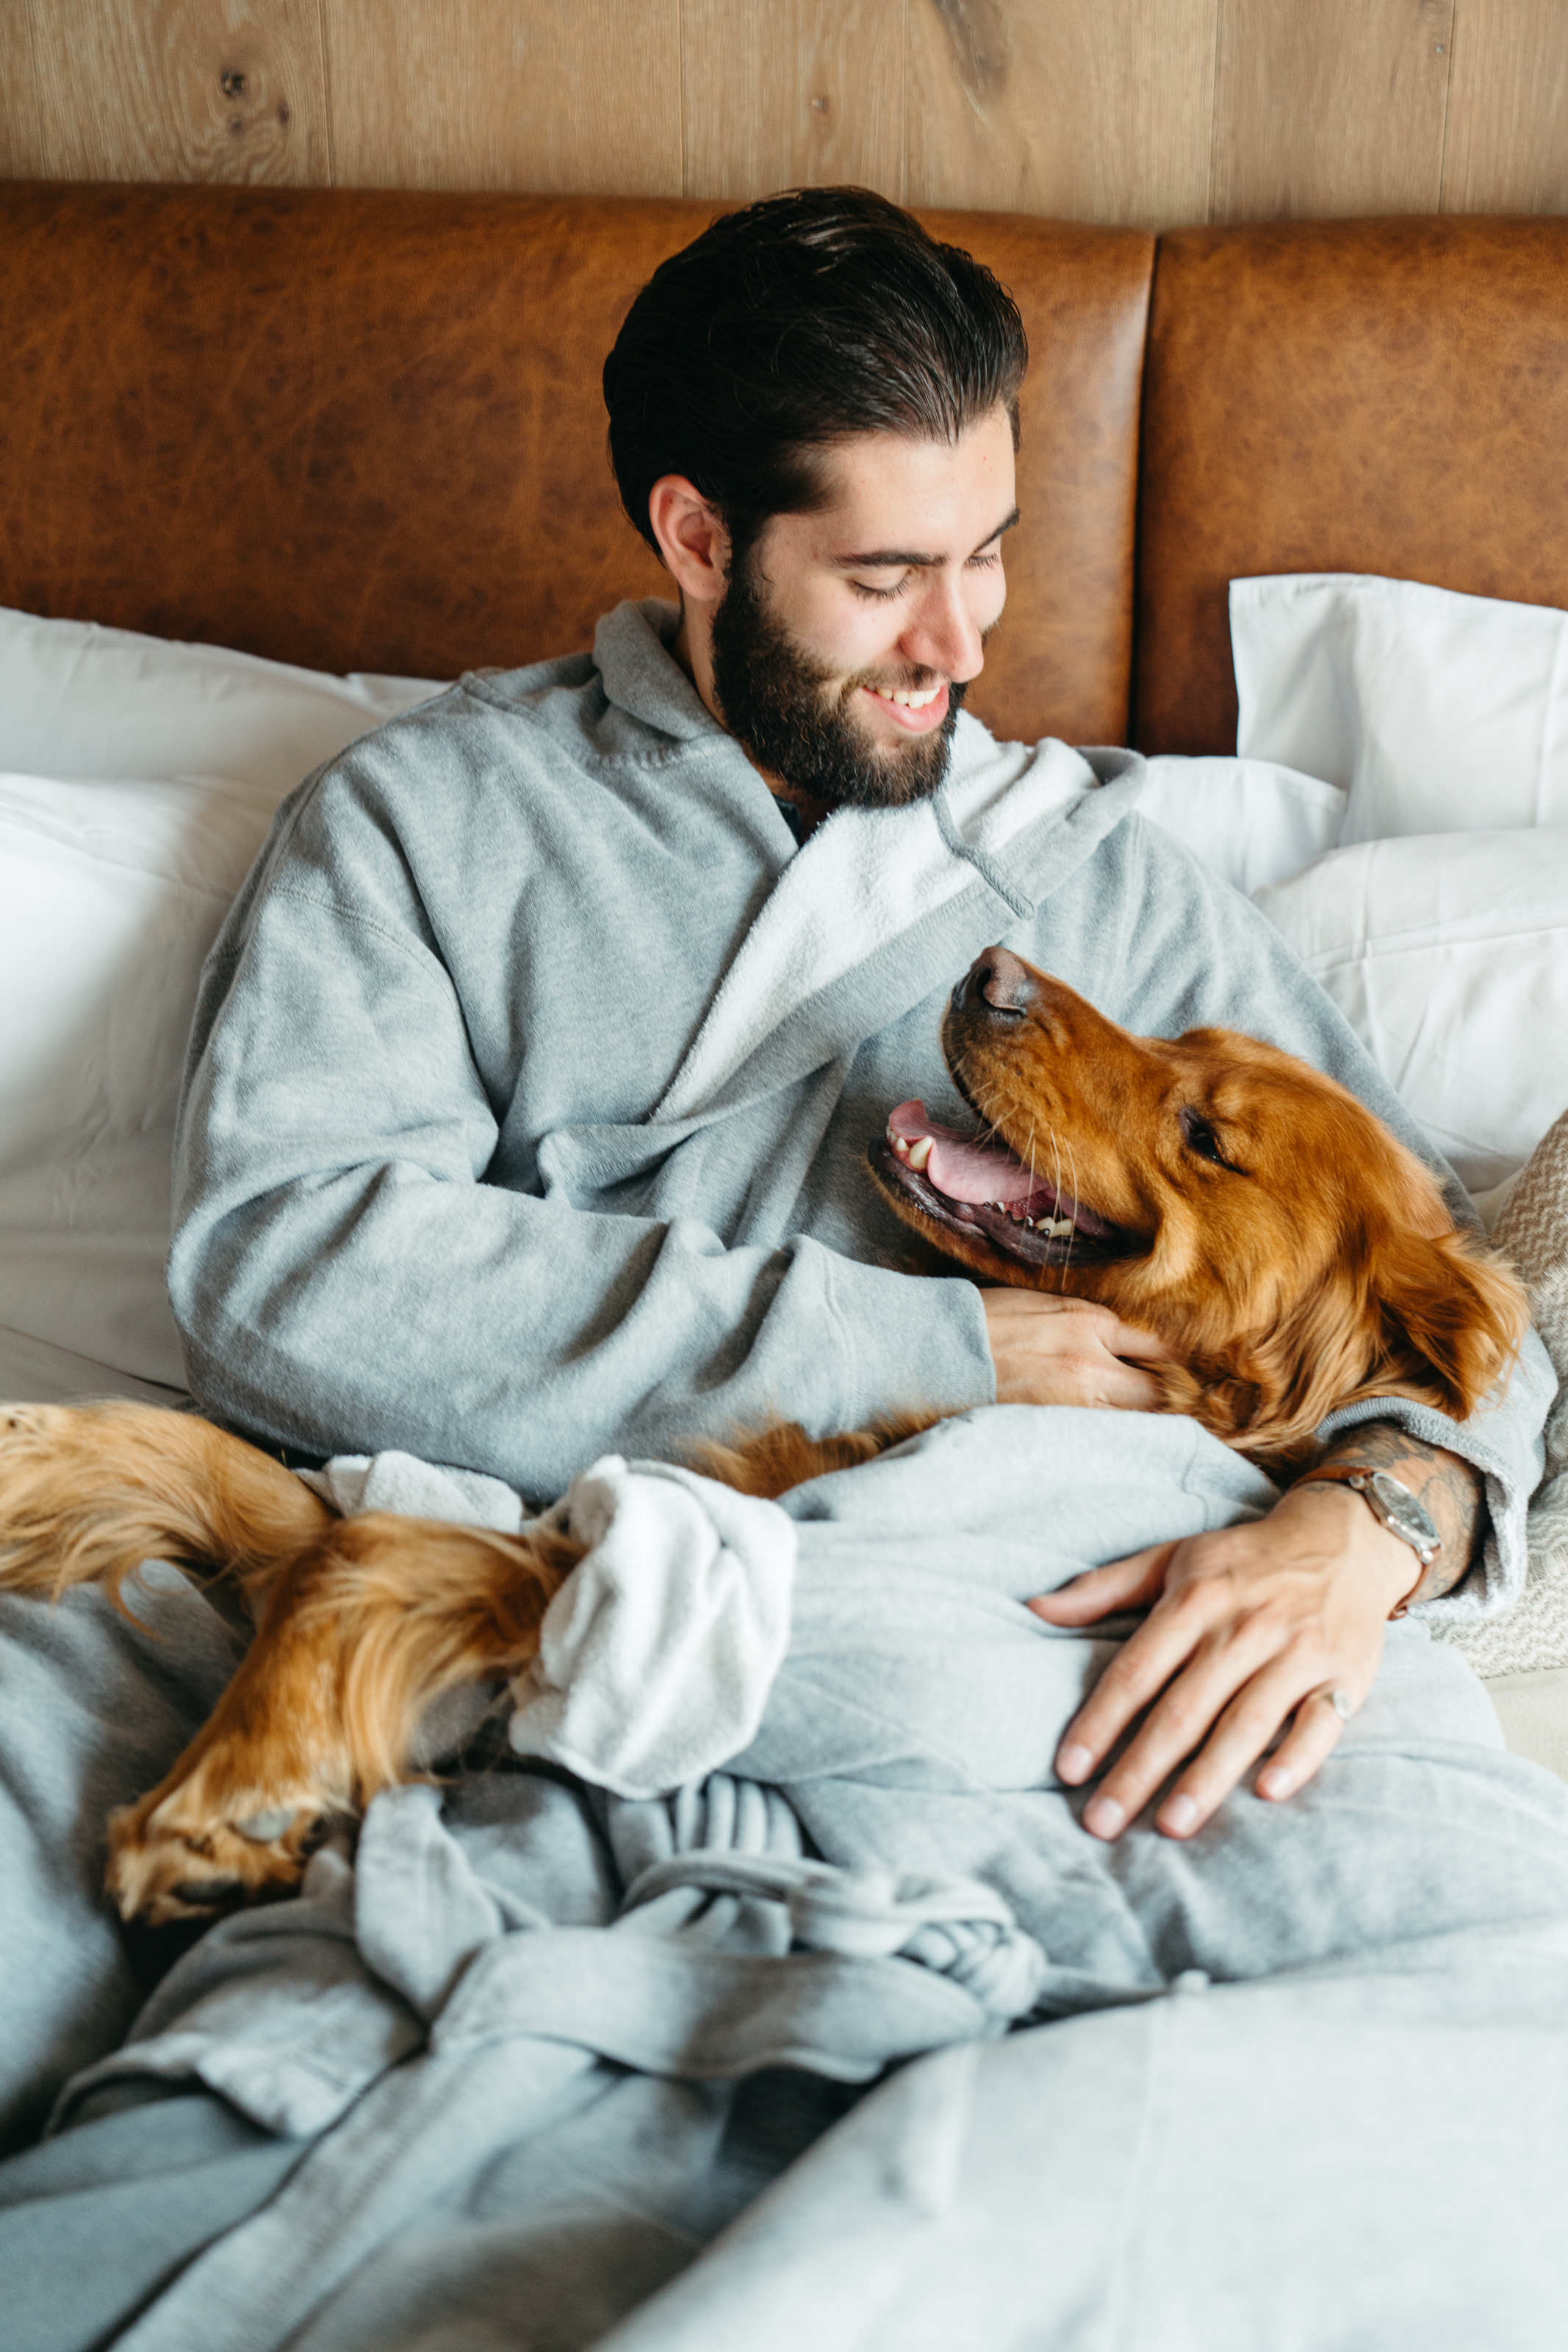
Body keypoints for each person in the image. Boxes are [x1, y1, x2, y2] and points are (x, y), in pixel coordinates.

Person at [168, 186, 1550, 1856]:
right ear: (696, 538)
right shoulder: (426, 823)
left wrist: (1370, 1521)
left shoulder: (1089, 875)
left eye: (986, 555)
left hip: (1002, 1684)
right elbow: (285, 1268)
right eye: (886, 576)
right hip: (503, 1609)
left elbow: (1442, 1297)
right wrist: (938, 1353)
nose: (959, 647)